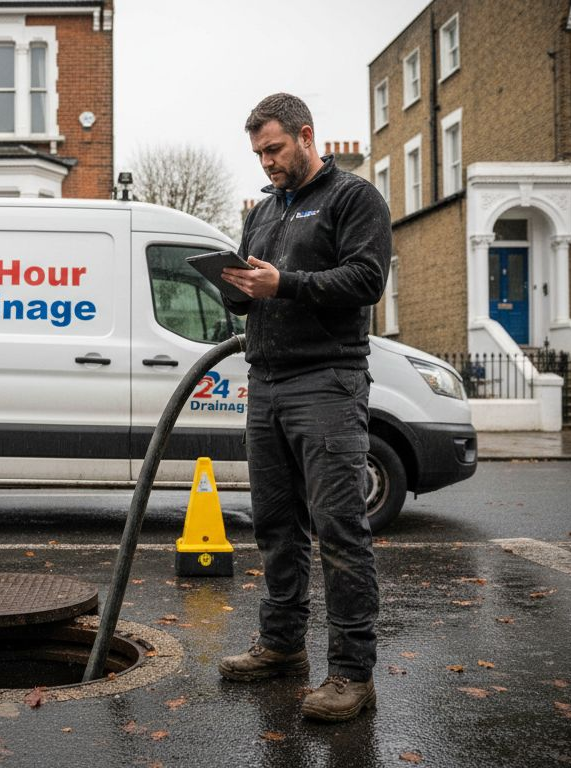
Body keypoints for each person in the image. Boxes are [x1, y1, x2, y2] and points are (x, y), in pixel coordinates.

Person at [215, 93, 391, 722]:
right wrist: (236, 288)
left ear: (306, 136)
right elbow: (254, 293)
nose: (266, 162)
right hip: (265, 382)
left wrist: (283, 283)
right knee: (275, 526)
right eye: (258, 153)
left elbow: (367, 280)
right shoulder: (262, 212)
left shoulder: (353, 198)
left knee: (340, 529)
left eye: (274, 149)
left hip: (327, 381)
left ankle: (351, 674)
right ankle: (283, 647)